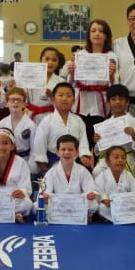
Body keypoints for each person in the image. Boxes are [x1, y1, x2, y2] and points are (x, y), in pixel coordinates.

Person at [67, 19, 118, 149]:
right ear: (88, 35)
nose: (97, 34)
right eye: (93, 31)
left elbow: (115, 84)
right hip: (81, 102)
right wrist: (72, 72)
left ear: (106, 36)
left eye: (101, 31)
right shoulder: (80, 55)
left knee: (98, 140)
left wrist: (111, 75)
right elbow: (72, 82)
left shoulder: (111, 56)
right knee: (80, 138)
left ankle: (96, 167)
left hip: (100, 103)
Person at [32, 82, 92, 174]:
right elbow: (40, 145)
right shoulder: (47, 121)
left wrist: (84, 155)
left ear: (73, 100)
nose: (64, 98)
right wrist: (43, 165)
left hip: (74, 164)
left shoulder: (78, 120)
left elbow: (83, 141)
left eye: (69, 95)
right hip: (52, 164)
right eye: (60, 95)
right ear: (53, 99)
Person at [37, 135, 99, 222]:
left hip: (76, 206)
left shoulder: (82, 171)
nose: (67, 152)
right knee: (38, 204)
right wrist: (45, 197)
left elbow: (91, 190)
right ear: (57, 152)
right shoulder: (51, 172)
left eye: (70, 149)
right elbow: (43, 192)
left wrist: (91, 194)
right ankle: (82, 216)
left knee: (94, 204)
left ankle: (85, 215)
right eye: (63, 149)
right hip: (59, 206)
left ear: (77, 153)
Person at [92, 84, 135, 180]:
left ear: (127, 102)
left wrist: (133, 135)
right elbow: (98, 151)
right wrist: (97, 141)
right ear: (108, 102)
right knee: (96, 172)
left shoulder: (134, 122)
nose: (117, 102)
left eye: (121, 99)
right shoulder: (104, 125)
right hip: (107, 160)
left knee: (125, 181)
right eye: (113, 99)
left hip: (126, 159)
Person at [95, 146, 135, 222]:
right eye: (116, 157)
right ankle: (132, 217)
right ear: (107, 162)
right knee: (102, 208)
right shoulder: (102, 176)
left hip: (126, 205)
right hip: (111, 206)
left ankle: (128, 217)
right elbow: (99, 191)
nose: (120, 160)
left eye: (123, 158)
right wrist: (104, 199)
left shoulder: (128, 175)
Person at [0, 87, 37, 167]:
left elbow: (34, 151)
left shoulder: (31, 125)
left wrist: (29, 169)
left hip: (24, 162)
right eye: (12, 100)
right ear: (6, 104)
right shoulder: (2, 124)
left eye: (19, 100)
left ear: (25, 104)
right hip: (5, 162)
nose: (15, 103)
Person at [25, 47, 65, 124]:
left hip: (52, 116)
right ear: (41, 60)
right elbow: (24, 99)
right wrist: (16, 87)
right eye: (47, 59)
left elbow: (64, 104)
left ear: (58, 63)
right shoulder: (30, 79)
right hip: (32, 116)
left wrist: (52, 97)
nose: (50, 62)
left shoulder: (61, 82)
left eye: (54, 60)